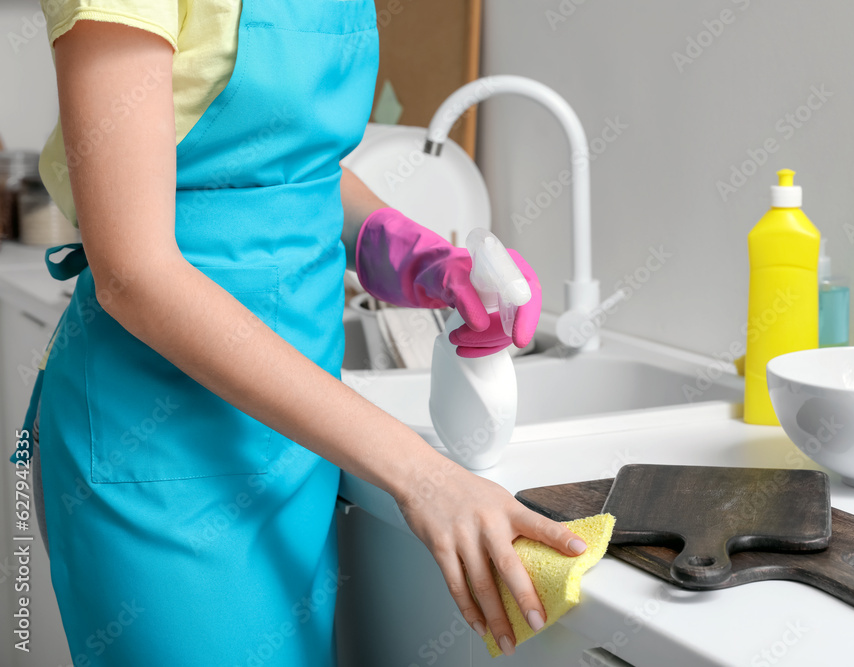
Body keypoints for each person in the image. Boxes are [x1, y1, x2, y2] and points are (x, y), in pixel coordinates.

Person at [13, 1, 588, 664]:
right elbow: (135, 272)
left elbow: (285, 163)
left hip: (296, 448)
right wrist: (421, 475)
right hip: (160, 451)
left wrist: (416, 254)